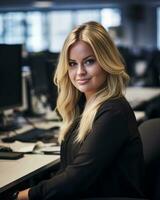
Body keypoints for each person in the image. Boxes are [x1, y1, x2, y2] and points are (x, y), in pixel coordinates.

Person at [16, 21, 145, 200]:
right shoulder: (82, 107)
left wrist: (23, 195)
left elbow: (76, 178)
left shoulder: (113, 111)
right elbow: (69, 172)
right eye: (72, 64)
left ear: (106, 62)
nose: (79, 72)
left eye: (89, 61)